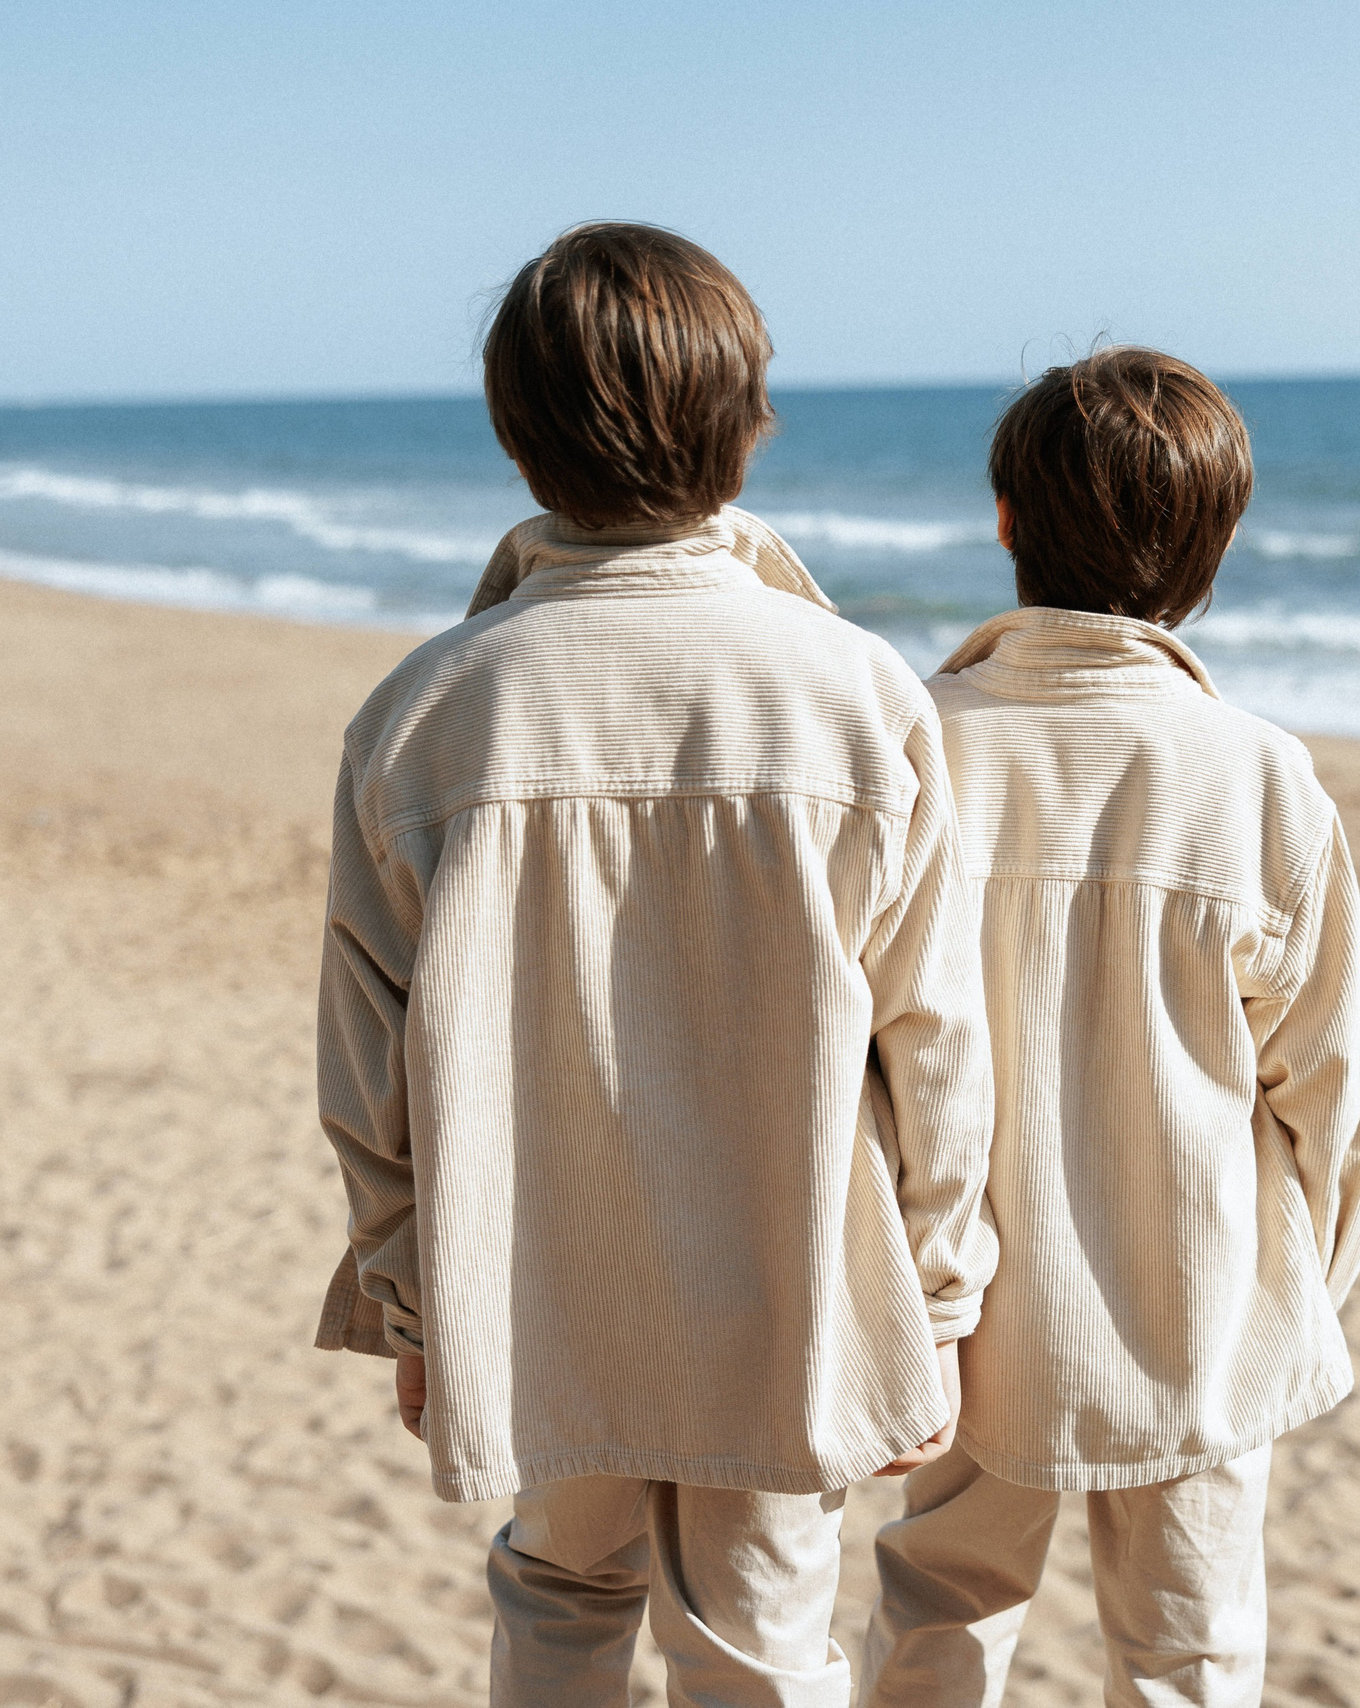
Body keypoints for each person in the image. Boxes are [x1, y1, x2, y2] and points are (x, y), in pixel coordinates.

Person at [313, 222, 997, 1706]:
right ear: (750, 427)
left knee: (557, 1599)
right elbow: (934, 1039)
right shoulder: (857, 695)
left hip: (536, 1274)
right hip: (785, 1275)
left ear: (514, 437)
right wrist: (935, 1301)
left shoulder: (423, 713)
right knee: (762, 1641)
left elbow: (367, 1067)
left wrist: (412, 1298)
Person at [861, 346, 1360, 1708]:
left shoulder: (922, 745)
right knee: (1188, 1656)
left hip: (965, 1301)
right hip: (1195, 1293)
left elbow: (856, 1048)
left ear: (1005, 521)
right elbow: (1337, 1085)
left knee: (936, 1615)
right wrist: (1298, 1290)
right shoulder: (1255, 773)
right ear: (1217, 550)